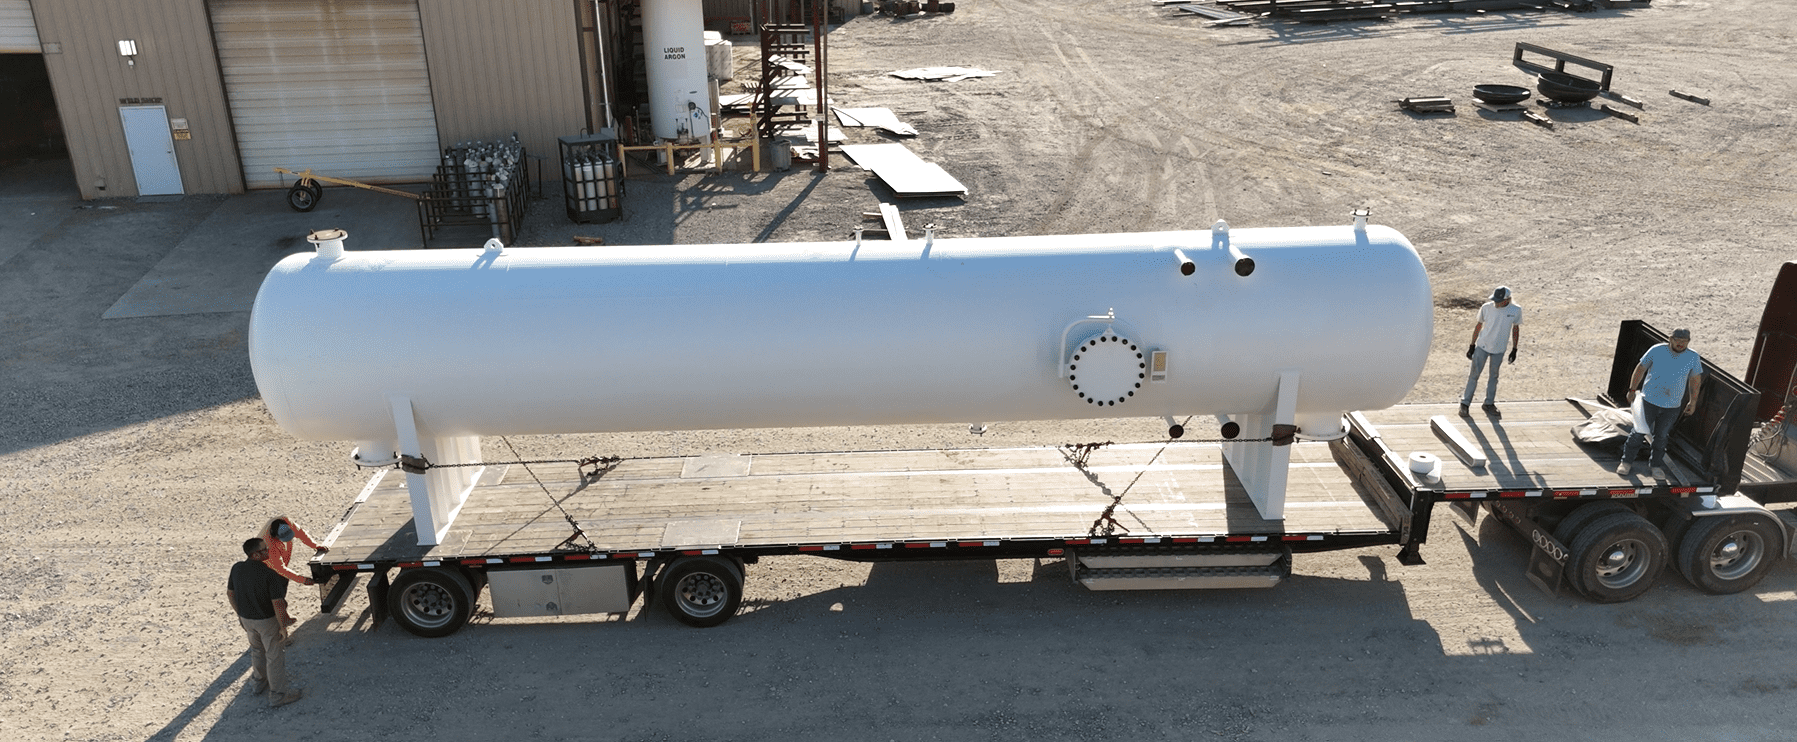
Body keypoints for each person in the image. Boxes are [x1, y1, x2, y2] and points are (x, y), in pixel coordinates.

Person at [227, 538, 304, 708]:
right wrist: (283, 626)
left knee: (256, 650)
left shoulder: (237, 568)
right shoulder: (269, 574)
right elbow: (278, 603)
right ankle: (278, 695)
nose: (268, 551)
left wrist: (240, 614)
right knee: (274, 656)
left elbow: (230, 594)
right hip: (266, 621)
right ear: (255, 555)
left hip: (247, 620)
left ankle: (258, 683)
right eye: (264, 550)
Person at [1619, 328, 1704, 480]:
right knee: (1638, 433)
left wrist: (1693, 401)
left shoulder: (1693, 357)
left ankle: (1655, 466)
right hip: (1648, 401)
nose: (1681, 344)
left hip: (1672, 406)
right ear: (1670, 339)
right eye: (1678, 340)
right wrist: (1632, 389)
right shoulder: (1657, 350)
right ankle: (1626, 462)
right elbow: (1640, 369)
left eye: (1685, 341)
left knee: (1662, 437)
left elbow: (1695, 380)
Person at [1460, 285, 1522, 418]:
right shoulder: (1486, 308)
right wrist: (1472, 345)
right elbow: (1478, 326)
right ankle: (1465, 404)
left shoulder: (1516, 310)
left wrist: (1514, 349)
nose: (1496, 303)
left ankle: (1488, 403)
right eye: (1495, 300)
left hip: (1499, 350)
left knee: (1494, 377)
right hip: (1482, 346)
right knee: (1474, 375)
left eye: (1499, 301)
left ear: (1507, 300)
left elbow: (1515, 329)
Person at [257, 516, 329, 586]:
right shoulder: (268, 547)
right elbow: (280, 569)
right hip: (264, 567)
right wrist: (303, 580)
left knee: (283, 577)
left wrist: (315, 545)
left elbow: (301, 534)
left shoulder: (287, 522)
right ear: (276, 537)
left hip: (278, 560)